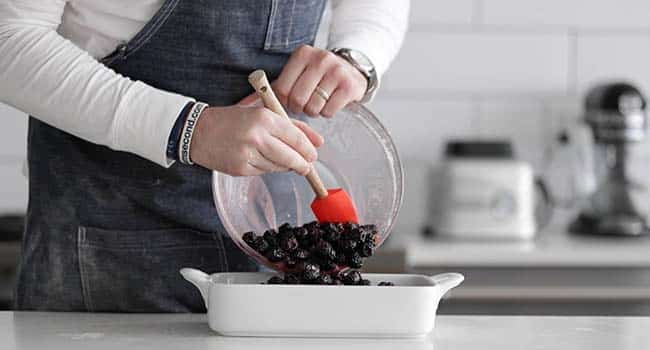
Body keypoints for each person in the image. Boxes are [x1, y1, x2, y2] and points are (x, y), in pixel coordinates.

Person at [0, 0, 409, 312]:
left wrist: (359, 57)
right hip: (107, 247)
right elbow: (9, 37)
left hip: (271, 245)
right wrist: (188, 129)